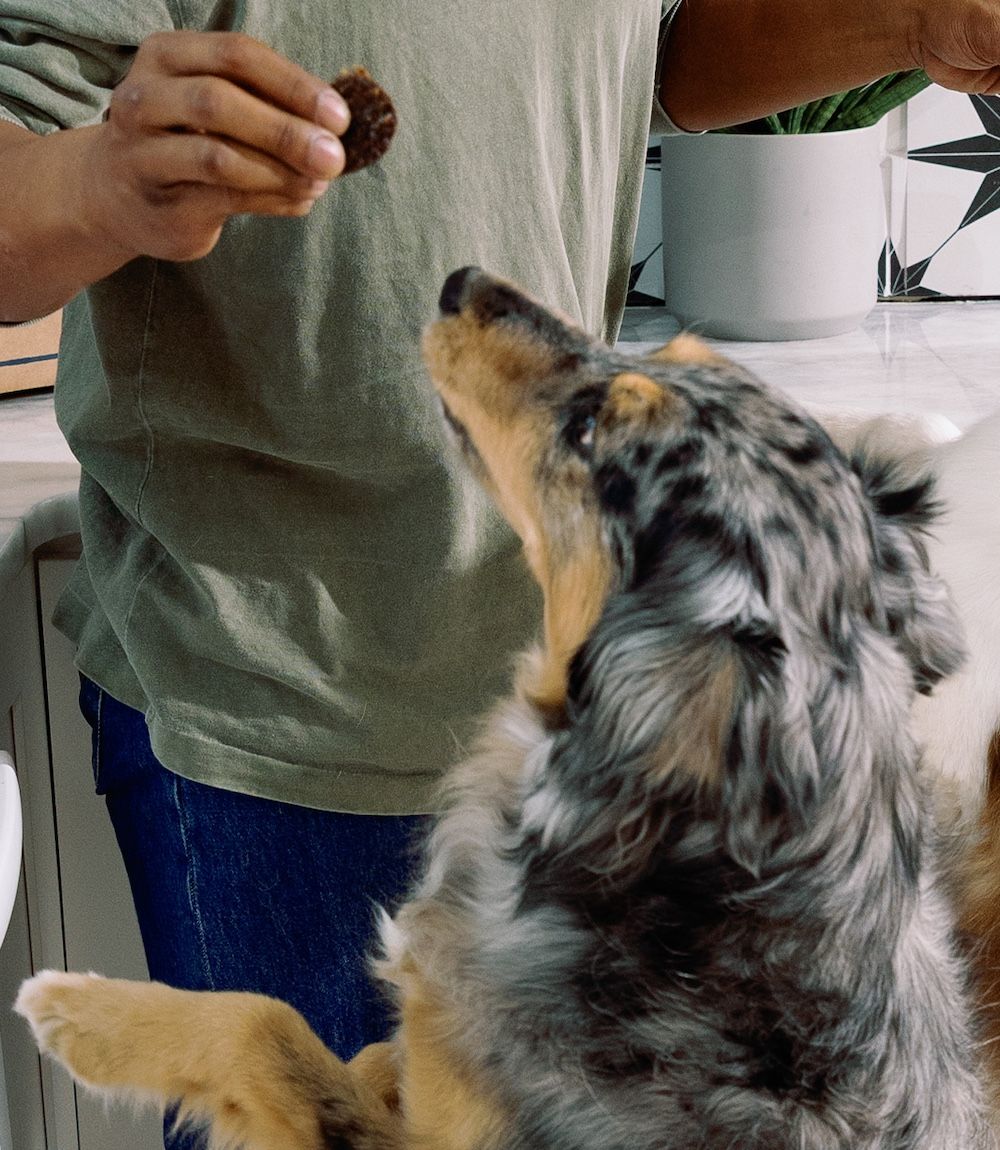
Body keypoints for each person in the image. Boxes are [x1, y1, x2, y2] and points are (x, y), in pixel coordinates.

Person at [1, 2, 998, 1146]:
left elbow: (649, 53)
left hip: (578, 709)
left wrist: (911, 20)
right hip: (285, 700)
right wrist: (96, 182)